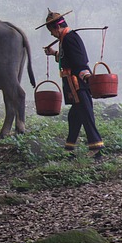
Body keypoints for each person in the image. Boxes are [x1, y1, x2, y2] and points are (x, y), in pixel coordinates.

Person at [40, 10, 104, 160]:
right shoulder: (65, 39)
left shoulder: (70, 38)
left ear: (57, 28)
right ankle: (70, 149)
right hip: (72, 84)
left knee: (86, 114)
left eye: (51, 31)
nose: (51, 35)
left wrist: (86, 77)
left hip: (78, 84)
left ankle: (96, 147)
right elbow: (66, 58)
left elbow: (80, 62)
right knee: (74, 117)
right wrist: (53, 53)